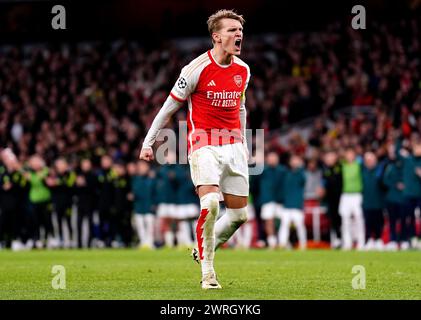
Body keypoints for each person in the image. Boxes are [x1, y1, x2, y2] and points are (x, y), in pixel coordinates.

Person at [139, 9, 250, 289]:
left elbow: (240, 107)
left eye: (240, 30)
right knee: (211, 204)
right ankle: (208, 274)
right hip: (204, 145)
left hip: (234, 145)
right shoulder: (195, 69)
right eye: (231, 30)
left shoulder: (243, 70)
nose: (238, 35)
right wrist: (148, 142)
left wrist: (246, 144)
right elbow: (168, 108)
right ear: (216, 36)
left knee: (239, 215)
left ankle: (199, 247)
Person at [278, 155, 307, 249]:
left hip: (297, 205)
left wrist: (301, 167)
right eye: (293, 160)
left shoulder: (301, 173)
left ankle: (303, 244)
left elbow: (303, 180)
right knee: (284, 225)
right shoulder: (286, 173)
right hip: (286, 205)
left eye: (297, 160)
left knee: (299, 226)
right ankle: (282, 244)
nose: (295, 162)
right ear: (290, 162)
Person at [339, 148, 365, 250]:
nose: (349, 156)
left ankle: (361, 242)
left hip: (357, 195)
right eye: (347, 154)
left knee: (359, 218)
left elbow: (363, 160)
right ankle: (347, 243)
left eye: (351, 154)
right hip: (345, 195)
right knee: (345, 220)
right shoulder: (343, 166)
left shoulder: (359, 165)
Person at [259, 152, 284, 248]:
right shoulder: (262, 171)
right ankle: (272, 241)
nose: (272, 160)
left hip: (280, 201)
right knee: (268, 221)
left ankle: (282, 240)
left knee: (281, 221)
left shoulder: (282, 171)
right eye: (271, 158)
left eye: (274, 158)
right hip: (267, 199)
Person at [361, 152, 386, 250]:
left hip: (378, 202)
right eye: (367, 160)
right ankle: (369, 240)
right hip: (366, 203)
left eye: (371, 160)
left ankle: (378, 240)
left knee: (379, 222)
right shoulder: (362, 172)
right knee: (368, 223)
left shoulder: (380, 171)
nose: (369, 162)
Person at [131, 160, 156, 249]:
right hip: (139, 206)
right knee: (140, 226)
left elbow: (155, 192)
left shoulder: (152, 179)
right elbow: (135, 191)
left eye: (143, 166)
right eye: (140, 166)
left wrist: (155, 203)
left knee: (150, 226)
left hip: (149, 206)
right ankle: (143, 242)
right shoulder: (136, 179)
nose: (141, 168)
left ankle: (150, 243)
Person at [321, 150, 343, 248]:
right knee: (333, 219)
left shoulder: (341, 167)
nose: (329, 159)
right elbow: (324, 184)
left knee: (342, 219)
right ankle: (336, 239)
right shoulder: (325, 170)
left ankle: (344, 239)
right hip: (330, 199)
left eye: (331, 157)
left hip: (341, 198)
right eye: (327, 157)